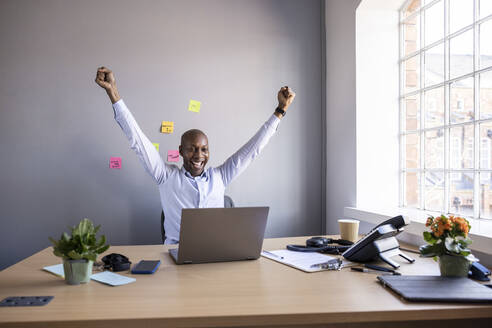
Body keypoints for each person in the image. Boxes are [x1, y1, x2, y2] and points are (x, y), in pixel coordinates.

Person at [95, 67, 295, 244]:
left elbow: (253, 150)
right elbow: (137, 139)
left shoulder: (220, 177)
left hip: (215, 253)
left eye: (204, 149)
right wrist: (113, 92)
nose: (198, 155)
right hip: (175, 255)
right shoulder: (166, 176)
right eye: (192, 148)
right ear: (181, 151)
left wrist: (280, 110)